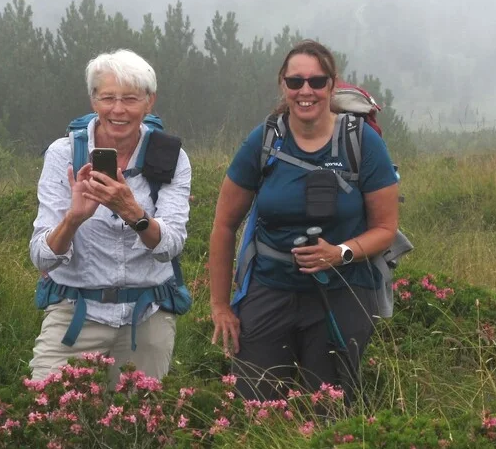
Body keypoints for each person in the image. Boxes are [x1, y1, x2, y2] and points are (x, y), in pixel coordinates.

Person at [208, 40, 400, 402]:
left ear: (332, 85)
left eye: (316, 81)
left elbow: (385, 229)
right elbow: (223, 225)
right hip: (269, 289)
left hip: (343, 292)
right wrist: (220, 306)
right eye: (296, 82)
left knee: (329, 411)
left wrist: (339, 252)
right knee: (255, 408)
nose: (306, 91)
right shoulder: (264, 140)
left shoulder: (362, 143)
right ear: (283, 84)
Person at [29, 49, 192, 383]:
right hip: (75, 312)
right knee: (47, 415)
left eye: (130, 99)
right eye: (108, 98)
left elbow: (171, 245)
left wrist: (132, 212)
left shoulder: (171, 157)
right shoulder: (64, 155)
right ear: (93, 100)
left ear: (150, 102)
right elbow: (42, 259)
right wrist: (73, 219)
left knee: (135, 427)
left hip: (146, 317)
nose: (118, 110)